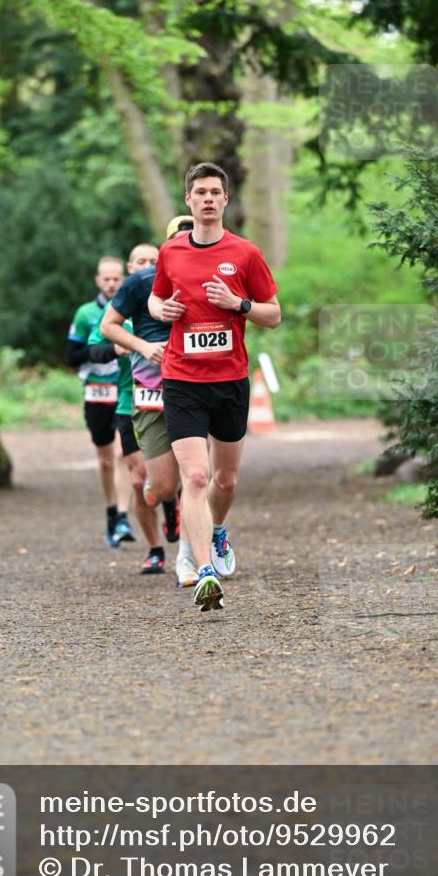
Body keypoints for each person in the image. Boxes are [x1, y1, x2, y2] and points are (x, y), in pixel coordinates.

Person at [148, 162, 281, 611]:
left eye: (215, 192)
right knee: (196, 475)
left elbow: (274, 314)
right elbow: (155, 295)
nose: (207, 198)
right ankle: (204, 570)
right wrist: (160, 309)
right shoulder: (170, 251)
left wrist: (237, 304)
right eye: (199, 192)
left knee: (225, 478)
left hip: (230, 380)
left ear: (225, 201)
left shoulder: (245, 253)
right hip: (182, 377)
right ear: (188, 200)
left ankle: (217, 532)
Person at [100, 228, 200, 588]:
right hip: (142, 398)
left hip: (191, 393)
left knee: (196, 477)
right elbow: (104, 330)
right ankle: (163, 515)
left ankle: (189, 557)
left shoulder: (207, 276)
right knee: (156, 484)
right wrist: (141, 347)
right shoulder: (138, 286)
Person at [87, 245, 166, 571]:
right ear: (130, 268)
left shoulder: (168, 305)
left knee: (175, 479)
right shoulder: (117, 315)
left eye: (154, 262)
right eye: (142, 262)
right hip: (128, 402)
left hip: (175, 399)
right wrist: (117, 348)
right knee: (138, 479)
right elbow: (92, 348)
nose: (148, 266)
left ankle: (173, 505)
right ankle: (155, 550)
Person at [67, 257, 133, 547]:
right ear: (97, 280)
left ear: (124, 279)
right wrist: (108, 350)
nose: (111, 283)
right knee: (106, 461)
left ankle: (122, 516)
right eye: (106, 279)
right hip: (96, 392)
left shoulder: (132, 308)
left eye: (116, 278)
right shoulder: (84, 314)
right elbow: (72, 357)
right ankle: (110, 511)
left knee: (122, 455)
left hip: (124, 390)